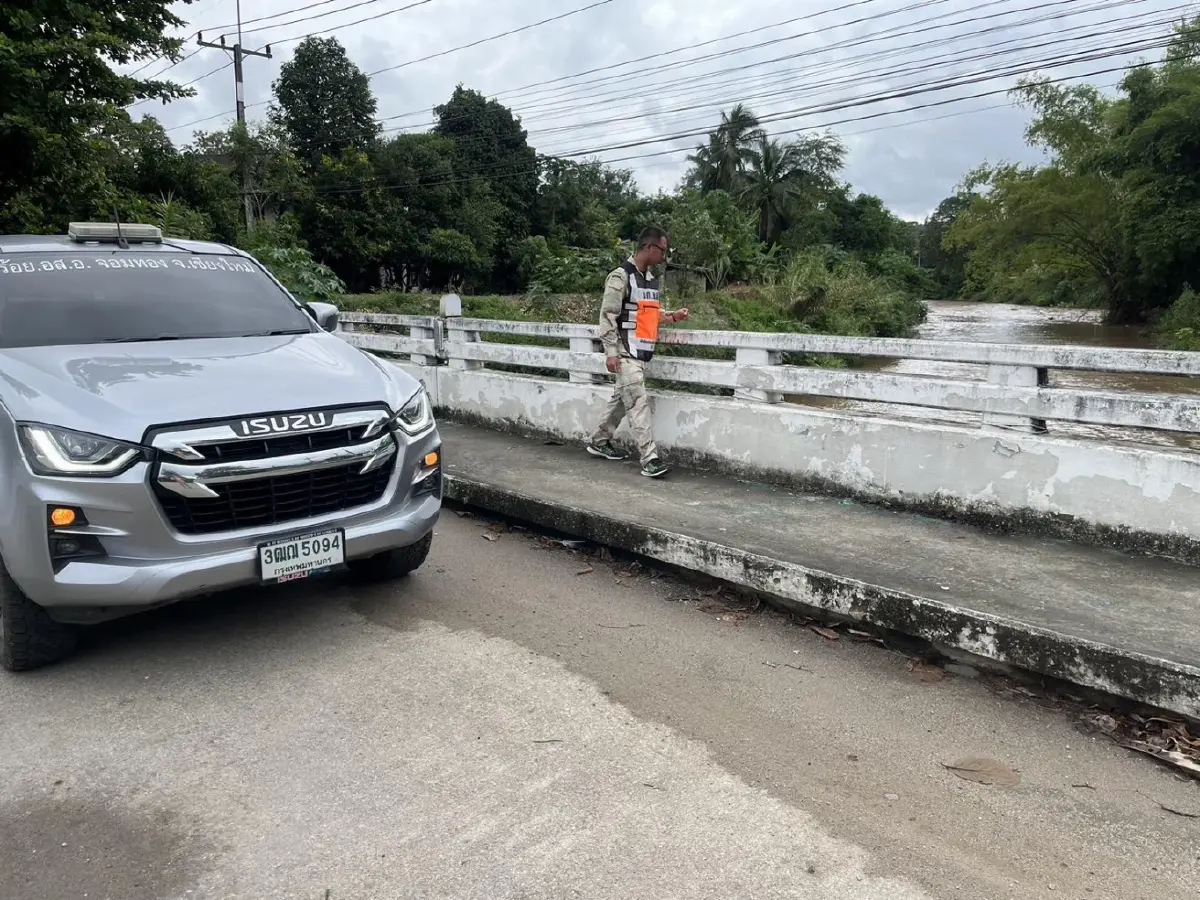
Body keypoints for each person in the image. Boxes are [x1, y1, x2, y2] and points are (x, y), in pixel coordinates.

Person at [586, 226, 689, 478]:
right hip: (623, 352)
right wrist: (610, 352)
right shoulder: (620, 277)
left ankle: (599, 440)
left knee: (623, 400)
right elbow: (607, 316)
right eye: (663, 250)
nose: (665, 256)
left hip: (641, 352)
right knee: (638, 402)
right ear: (649, 247)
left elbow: (648, 314)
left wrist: (671, 317)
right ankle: (649, 458)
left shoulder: (650, 279)